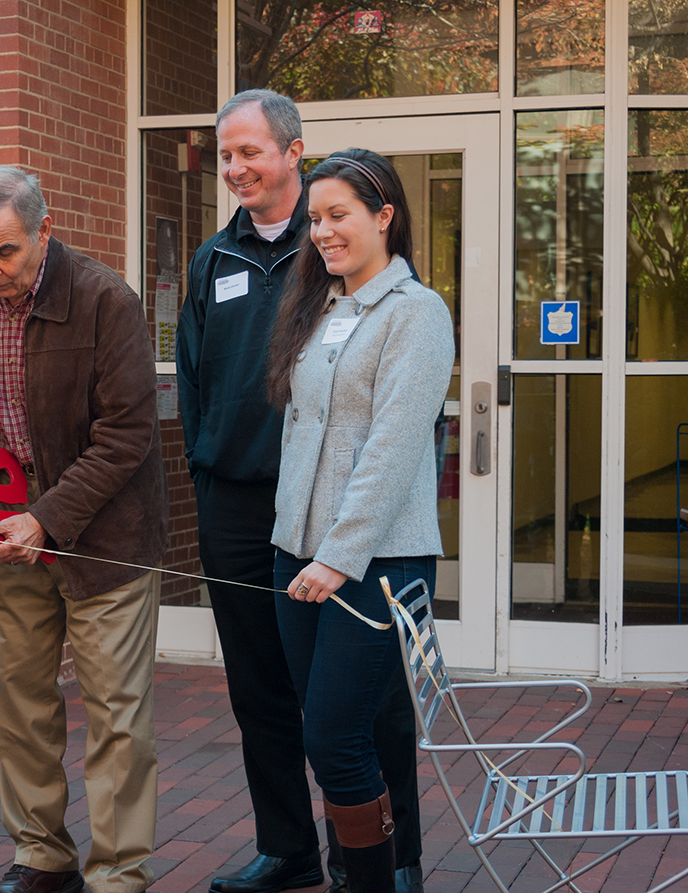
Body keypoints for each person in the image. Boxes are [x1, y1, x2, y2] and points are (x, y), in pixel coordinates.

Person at [176, 89, 426, 893]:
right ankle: (288, 848)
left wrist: (343, 535)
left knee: (362, 701)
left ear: (292, 151)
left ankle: (396, 858)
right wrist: (204, 470)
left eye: (251, 151)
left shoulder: (341, 266)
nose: (237, 168)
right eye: (226, 155)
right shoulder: (214, 260)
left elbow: (385, 424)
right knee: (261, 692)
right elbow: (191, 379)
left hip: (337, 514)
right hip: (248, 511)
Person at [0, 166, 166, 893]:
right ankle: (42, 858)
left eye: (7, 253)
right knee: (20, 708)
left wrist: (48, 517)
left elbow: (127, 434)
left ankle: (119, 874)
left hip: (103, 543)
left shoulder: (104, 298)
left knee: (117, 717)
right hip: (2, 536)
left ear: (45, 232)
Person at [267, 149, 454, 893]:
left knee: (333, 737)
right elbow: (302, 431)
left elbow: (391, 450)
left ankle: (372, 881)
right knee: (347, 732)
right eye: (314, 218)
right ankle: (362, 872)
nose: (321, 231)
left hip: (375, 562)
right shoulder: (326, 307)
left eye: (337, 214)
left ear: (385, 216)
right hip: (301, 555)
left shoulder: (417, 313)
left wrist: (337, 555)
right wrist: (292, 541)